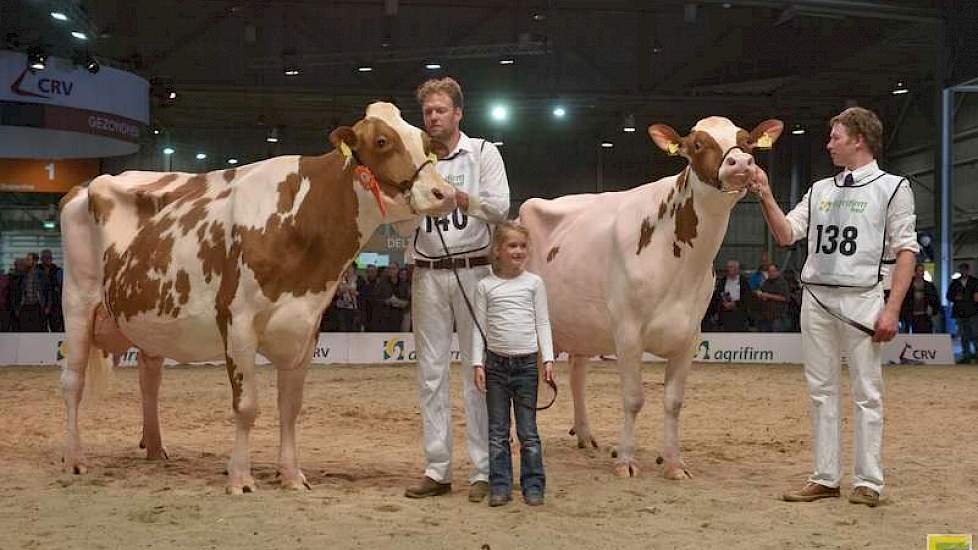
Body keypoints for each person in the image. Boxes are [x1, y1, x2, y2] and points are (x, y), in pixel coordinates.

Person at [751, 107, 918, 507]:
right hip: (817, 298)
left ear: (859, 139)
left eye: (835, 137)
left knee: (867, 391)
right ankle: (825, 476)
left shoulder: (892, 187)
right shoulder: (820, 189)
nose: (829, 144)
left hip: (863, 297)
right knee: (821, 390)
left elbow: (906, 249)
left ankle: (869, 481)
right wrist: (765, 194)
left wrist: (892, 308)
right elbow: (787, 233)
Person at [404, 76, 511, 502]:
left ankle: (482, 470)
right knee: (430, 373)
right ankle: (437, 468)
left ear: (458, 113)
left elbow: (501, 208)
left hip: (474, 270)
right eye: (428, 111)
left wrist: (461, 199)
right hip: (427, 271)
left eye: (440, 110)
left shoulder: (483, 152)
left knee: (477, 372)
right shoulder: (414, 159)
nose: (433, 117)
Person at [470, 222, 554, 507]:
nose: (518, 251)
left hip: (527, 365)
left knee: (528, 431)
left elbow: (542, 322)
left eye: (522, 246)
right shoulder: (485, 286)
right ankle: (500, 486)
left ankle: (533, 485)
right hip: (495, 366)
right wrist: (476, 363)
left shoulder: (534, 284)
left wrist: (548, 358)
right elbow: (478, 327)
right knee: (497, 431)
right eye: (512, 246)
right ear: (498, 251)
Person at [946, 262, 977, 362]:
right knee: (963, 334)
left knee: (975, 333)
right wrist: (955, 297)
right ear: (959, 271)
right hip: (960, 312)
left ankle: (976, 354)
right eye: (961, 270)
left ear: (968, 270)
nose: (963, 271)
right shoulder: (954, 283)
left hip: (973, 312)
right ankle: (966, 355)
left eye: (965, 269)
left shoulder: (975, 281)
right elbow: (948, 296)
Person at [711, 260, 752, 332]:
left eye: (730, 267)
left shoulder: (743, 281)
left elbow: (747, 297)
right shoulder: (722, 281)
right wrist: (723, 303)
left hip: (739, 313)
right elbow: (718, 295)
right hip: (725, 313)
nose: (728, 269)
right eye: (727, 267)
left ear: (737, 269)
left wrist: (735, 303)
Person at [901, 264, 939, 334]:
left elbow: (935, 299)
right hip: (911, 315)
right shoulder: (907, 286)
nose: (921, 273)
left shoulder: (929, 285)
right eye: (919, 271)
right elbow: (904, 300)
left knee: (925, 335)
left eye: (922, 271)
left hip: (925, 315)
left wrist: (932, 308)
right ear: (914, 272)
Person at [755, 263, 790, 332]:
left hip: (778, 317)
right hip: (765, 317)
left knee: (777, 339)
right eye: (769, 271)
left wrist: (769, 296)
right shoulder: (766, 282)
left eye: (773, 271)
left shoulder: (782, 283)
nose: (771, 273)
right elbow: (761, 292)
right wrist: (760, 294)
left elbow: (785, 298)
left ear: (777, 272)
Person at [16, 253, 46, 332]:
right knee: (24, 329)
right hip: (25, 306)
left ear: (35, 261)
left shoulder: (41, 274)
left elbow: (47, 290)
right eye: (27, 259)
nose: (27, 261)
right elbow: (19, 290)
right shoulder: (23, 274)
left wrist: (46, 305)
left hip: (37, 306)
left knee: (36, 329)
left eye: (29, 260)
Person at [38, 249, 64, 332]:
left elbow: (62, 288)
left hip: (55, 305)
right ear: (41, 259)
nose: (47, 259)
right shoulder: (37, 270)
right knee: (41, 329)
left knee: (56, 328)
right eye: (45, 257)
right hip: (40, 305)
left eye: (49, 257)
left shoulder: (57, 271)